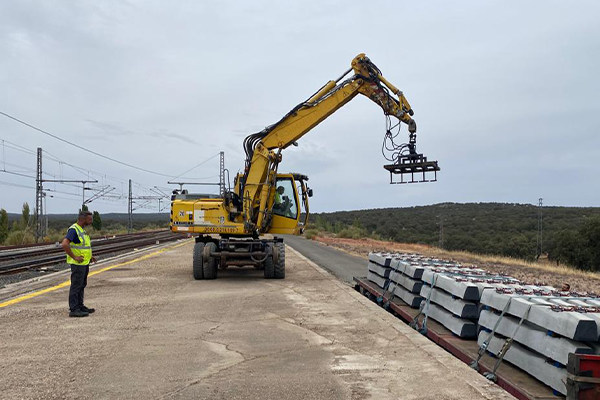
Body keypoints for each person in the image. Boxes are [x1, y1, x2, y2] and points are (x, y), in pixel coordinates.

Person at [61, 210, 97, 317]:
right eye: (90, 219)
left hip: (84, 263)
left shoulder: (82, 230)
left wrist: (90, 256)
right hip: (77, 264)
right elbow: (64, 244)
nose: (91, 222)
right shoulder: (73, 230)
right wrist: (74, 257)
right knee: (76, 286)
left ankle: (80, 306)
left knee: (82, 285)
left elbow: (83, 246)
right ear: (83, 219)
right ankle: (74, 309)